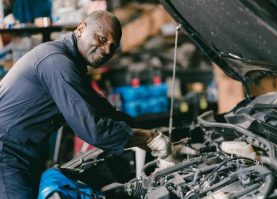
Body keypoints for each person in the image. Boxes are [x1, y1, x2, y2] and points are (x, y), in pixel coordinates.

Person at [0, 10, 170, 199]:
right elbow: (93, 128)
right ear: (81, 28)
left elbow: (100, 108)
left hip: (23, 154)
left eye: (112, 47)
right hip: (6, 153)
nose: (106, 50)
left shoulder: (70, 64)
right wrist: (148, 138)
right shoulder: (56, 62)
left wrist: (151, 133)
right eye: (102, 39)